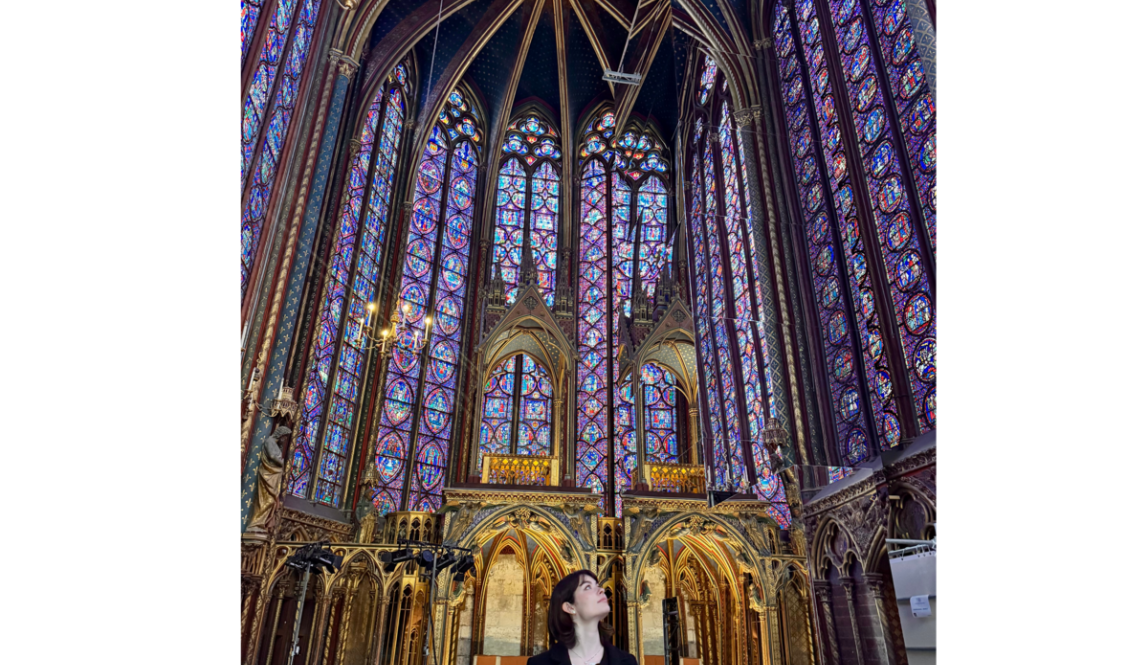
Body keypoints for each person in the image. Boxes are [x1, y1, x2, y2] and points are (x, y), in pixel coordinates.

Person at [529, 571, 638, 665]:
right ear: (569, 607)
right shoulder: (539, 663)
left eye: (598, 585)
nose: (601, 590)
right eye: (588, 587)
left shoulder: (627, 662)